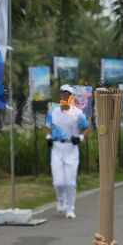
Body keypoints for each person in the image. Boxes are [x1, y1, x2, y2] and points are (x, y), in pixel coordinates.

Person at [45, 84, 89, 218]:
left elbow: (86, 127)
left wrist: (80, 137)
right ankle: (61, 199)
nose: (64, 96)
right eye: (62, 94)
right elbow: (47, 126)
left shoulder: (78, 113)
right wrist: (48, 136)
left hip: (71, 148)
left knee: (70, 182)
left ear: (71, 97)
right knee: (58, 182)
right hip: (57, 147)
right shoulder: (53, 112)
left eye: (67, 94)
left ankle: (70, 208)